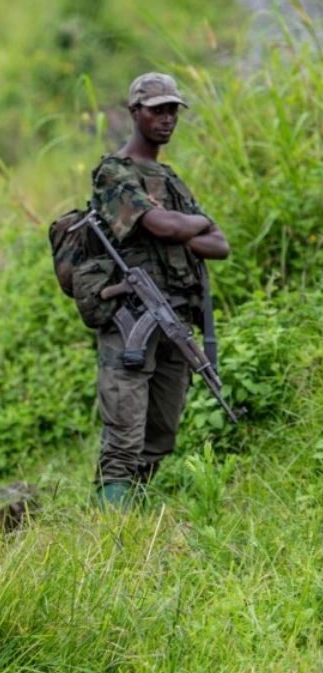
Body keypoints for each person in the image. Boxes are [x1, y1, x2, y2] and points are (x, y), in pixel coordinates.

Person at [90, 73, 230, 507]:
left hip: (175, 319)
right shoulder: (113, 173)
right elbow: (162, 225)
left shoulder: (169, 180)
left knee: (160, 432)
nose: (167, 118)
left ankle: (135, 516)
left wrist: (181, 230)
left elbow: (220, 244)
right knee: (124, 434)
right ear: (135, 112)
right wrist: (187, 227)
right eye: (157, 110)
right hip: (130, 317)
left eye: (173, 110)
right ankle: (107, 529)